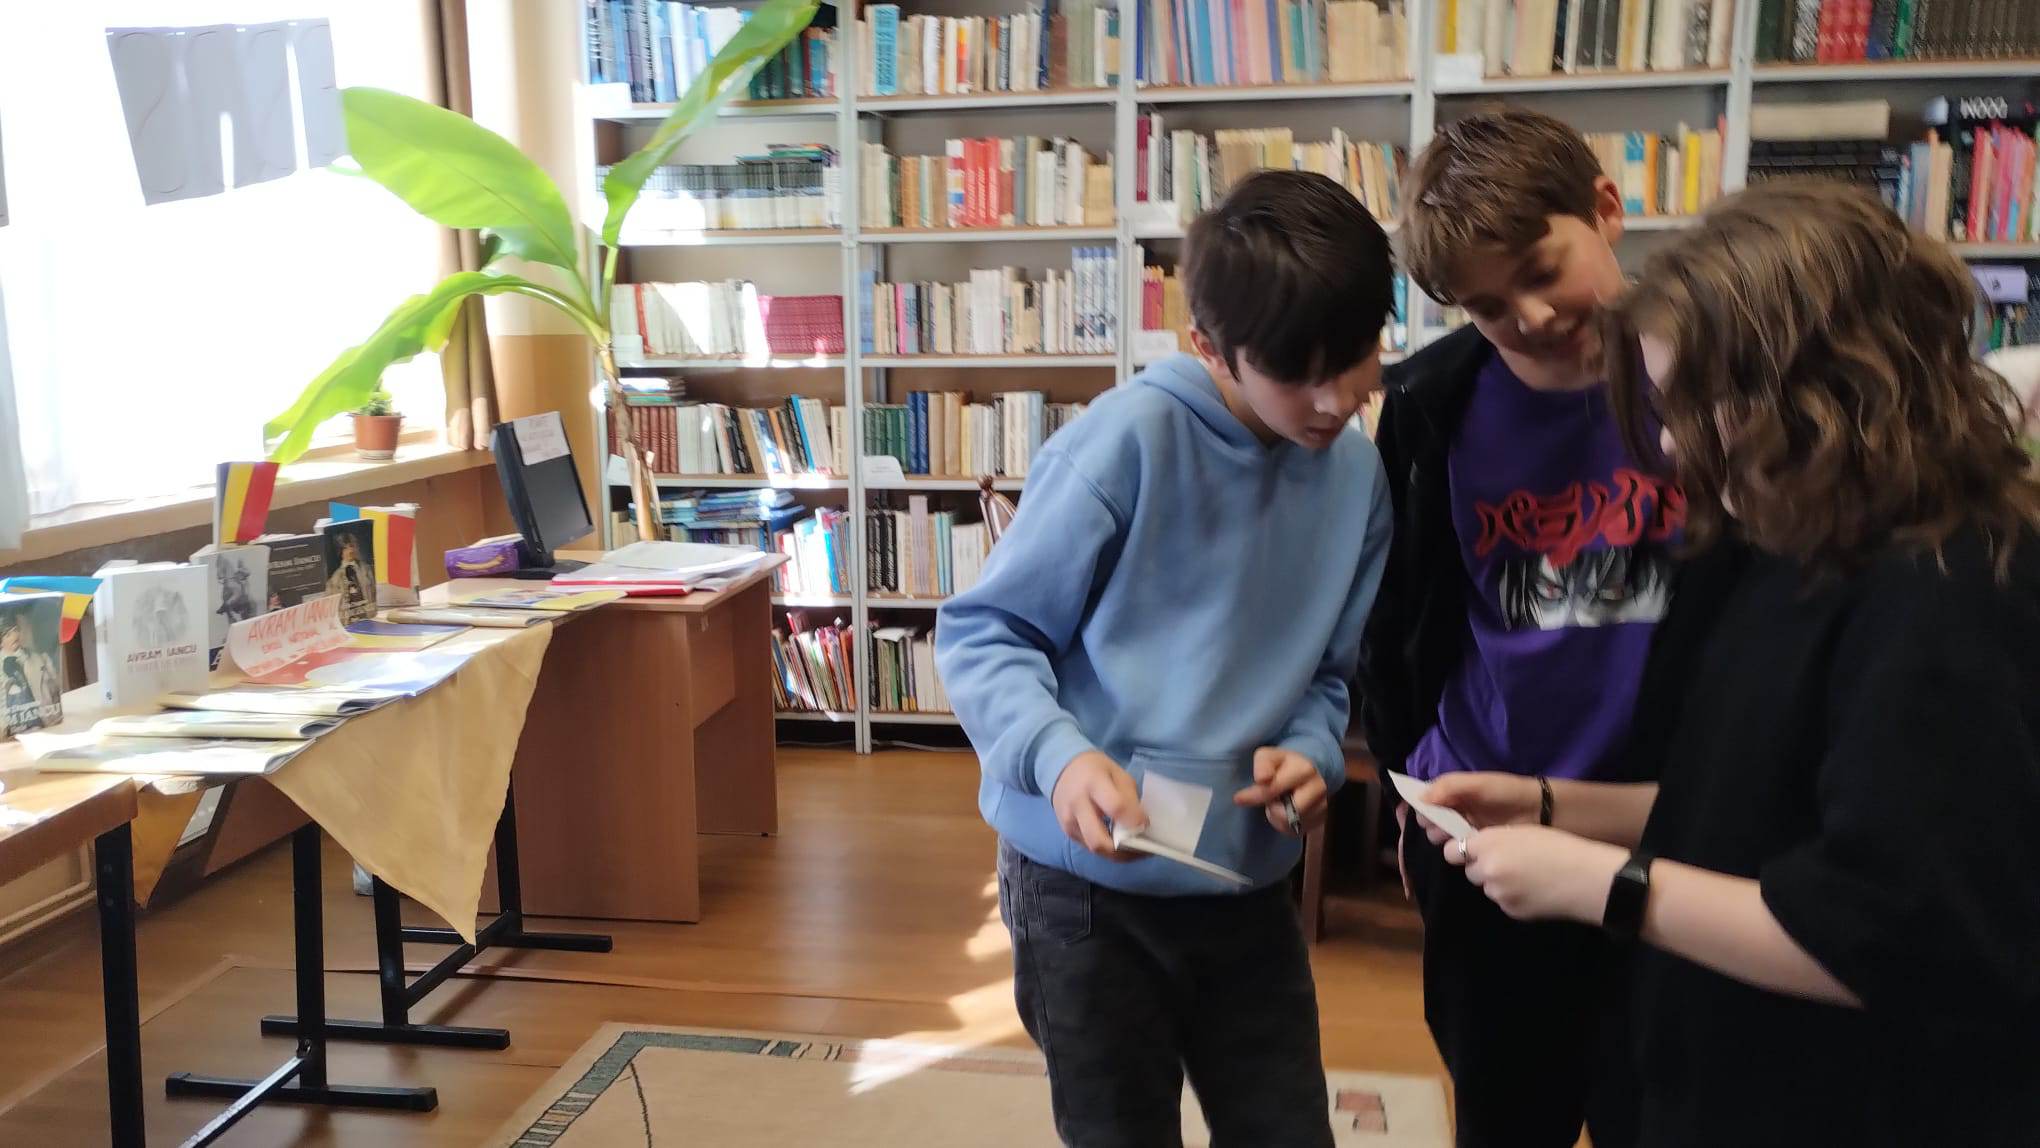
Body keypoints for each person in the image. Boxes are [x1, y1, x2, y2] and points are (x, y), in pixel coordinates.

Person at [1421, 180, 2040, 1146]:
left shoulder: (1951, 594)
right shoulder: (1794, 553)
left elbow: (1888, 932)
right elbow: (1744, 811)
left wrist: (1603, 885)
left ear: (1818, 391)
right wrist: (1548, 805)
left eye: (1692, 407)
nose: (1671, 446)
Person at [935, 168, 1397, 1147]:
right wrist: (1060, 757)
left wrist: (1313, 749)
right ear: (1209, 347)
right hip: (1085, 891)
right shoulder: (1124, 444)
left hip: (1244, 880)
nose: (1331, 401)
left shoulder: (1358, 474)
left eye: (1354, 360)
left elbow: (1329, 670)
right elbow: (985, 633)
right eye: (1295, 372)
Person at [1357, 106, 1670, 1147]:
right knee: (1502, 1108)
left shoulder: (1709, 378)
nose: (1531, 316)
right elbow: (1399, 615)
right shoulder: (1430, 404)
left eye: (1543, 271)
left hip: (1665, 823)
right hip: (1486, 828)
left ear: (1607, 209)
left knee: (1658, 1101)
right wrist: (1412, 790)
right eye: (1488, 306)